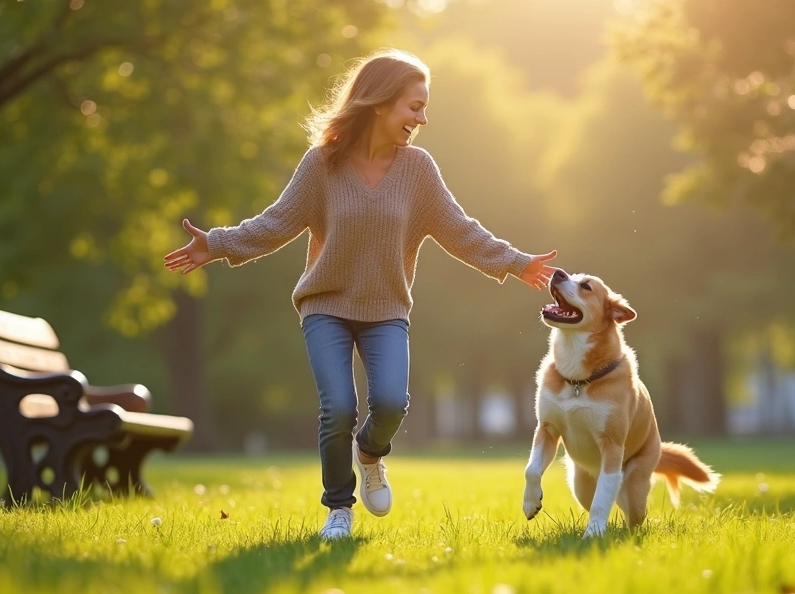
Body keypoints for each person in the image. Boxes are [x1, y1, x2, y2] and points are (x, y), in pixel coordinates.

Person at [163, 48, 559, 540]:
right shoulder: (322, 165)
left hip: (387, 310)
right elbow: (277, 222)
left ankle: (370, 455)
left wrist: (516, 263)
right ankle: (338, 508)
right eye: (414, 107)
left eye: (424, 107)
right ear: (379, 103)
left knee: (391, 402)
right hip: (325, 305)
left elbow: (461, 230)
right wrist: (217, 244)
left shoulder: (418, 170)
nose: (422, 118)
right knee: (339, 408)